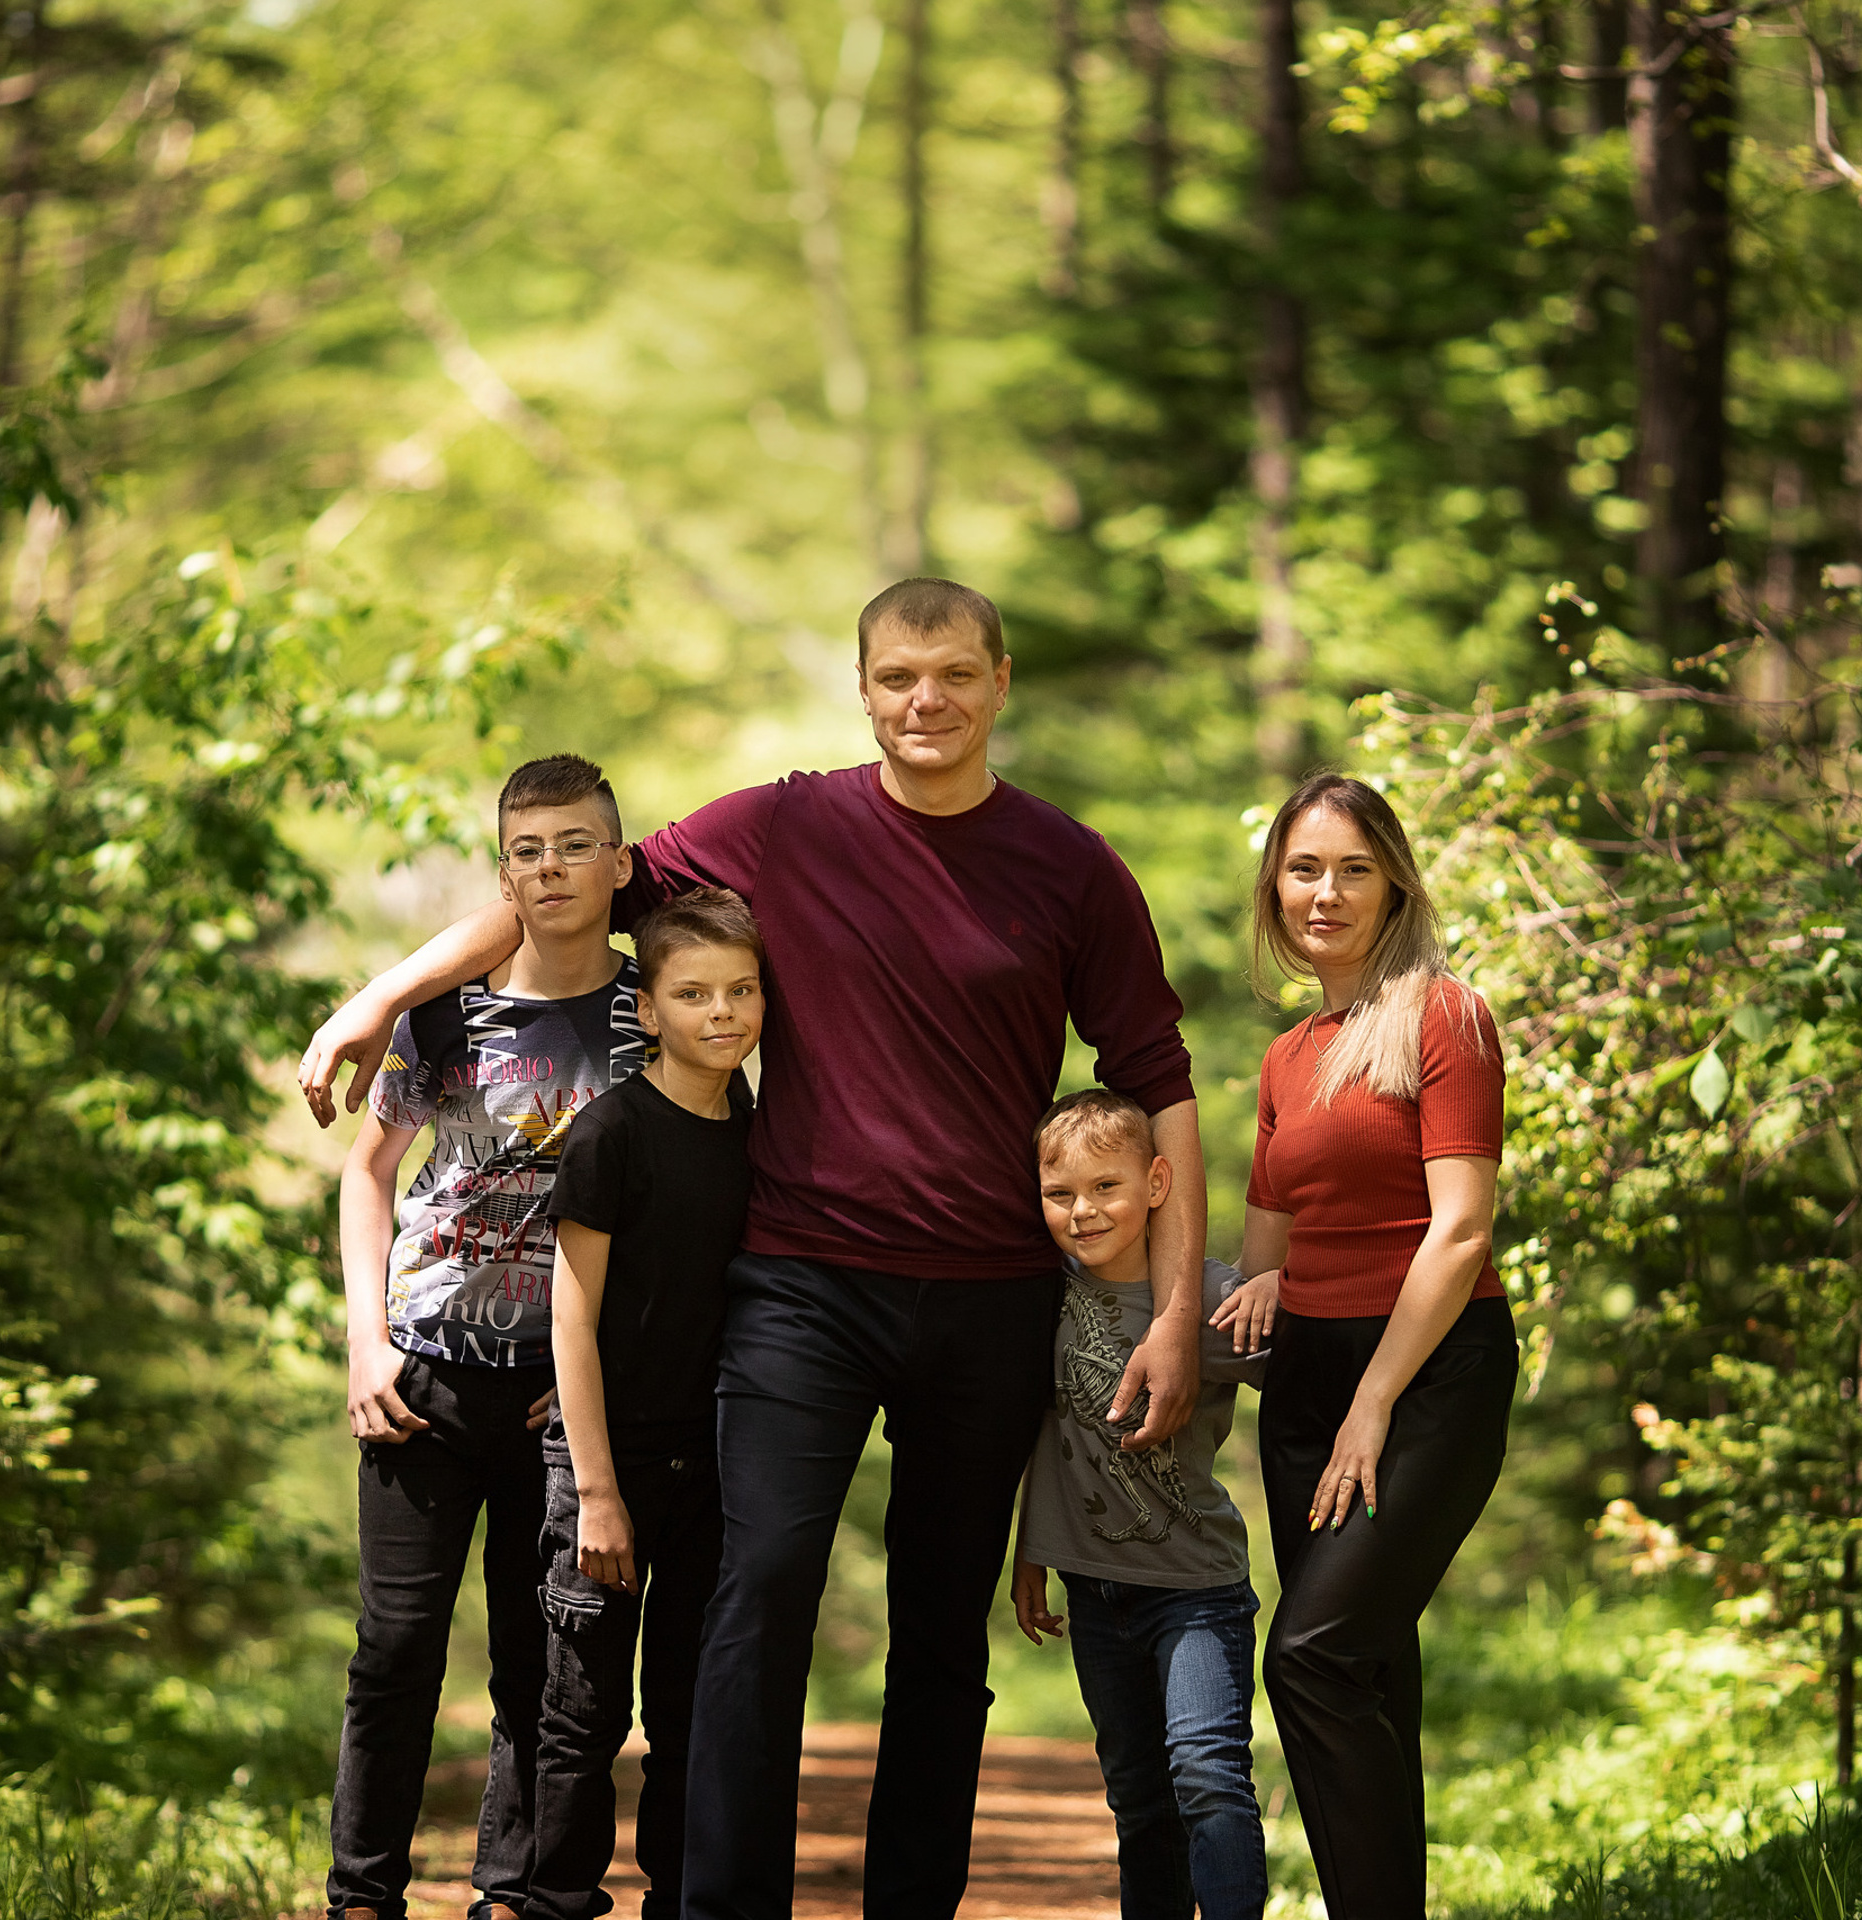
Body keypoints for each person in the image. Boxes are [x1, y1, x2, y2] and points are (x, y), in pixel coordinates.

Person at [298, 576, 1207, 1920]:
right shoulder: (786, 826)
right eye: (899, 677)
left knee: (943, 1635)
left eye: (955, 674)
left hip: (989, 1296)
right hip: (802, 1283)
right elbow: (578, 897)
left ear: (1000, 682)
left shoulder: (1071, 867)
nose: (927, 702)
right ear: (864, 689)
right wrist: (383, 995)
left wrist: (1177, 1305)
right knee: (756, 1593)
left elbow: (1156, 1079)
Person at [326, 753, 649, 1920]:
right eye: (527, 849)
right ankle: (362, 1892)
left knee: (537, 1662)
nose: (551, 867)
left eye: (574, 845)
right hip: (425, 1376)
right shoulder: (447, 1016)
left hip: (558, 1396)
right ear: (503, 873)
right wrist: (366, 1345)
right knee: (395, 1652)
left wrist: (605, 1382)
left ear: (620, 863)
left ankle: (509, 1892)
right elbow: (369, 1176)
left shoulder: (652, 1017)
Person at [1213, 772, 1517, 1920]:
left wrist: (1375, 1401)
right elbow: (1268, 1250)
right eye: (1303, 869)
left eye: (1351, 867)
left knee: (1315, 1659)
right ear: (1274, 888)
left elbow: (1462, 1226)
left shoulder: (1445, 1015)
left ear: (1393, 879)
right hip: (1309, 1381)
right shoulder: (1292, 1057)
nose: (1324, 892)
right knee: (1371, 1670)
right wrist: (1274, 1282)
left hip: (1427, 1374)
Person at [529, 888, 765, 1920]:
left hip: (710, 1467)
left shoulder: (758, 1130)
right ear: (649, 1008)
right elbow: (569, 1321)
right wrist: (596, 1491)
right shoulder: (610, 1134)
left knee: (687, 1711)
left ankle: (680, 1901)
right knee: (583, 1715)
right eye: (694, 993)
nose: (722, 1012)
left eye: (742, 990)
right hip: (605, 1465)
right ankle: (558, 1898)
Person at [1011, 1089, 1268, 1920]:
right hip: (1096, 1592)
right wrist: (1031, 1552)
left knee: (1207, 1777)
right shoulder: (1040, 1296)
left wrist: (1281, 1289)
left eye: (1106, 1188)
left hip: (1195, 1590)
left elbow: (1317, 1375)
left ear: (1159, 1181)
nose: (1082, 1212)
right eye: (1060, 1194)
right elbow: (1042, 1435)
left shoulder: (1207, 1297)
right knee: (1138, 1800)